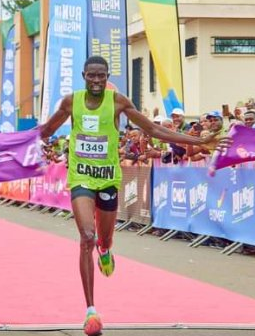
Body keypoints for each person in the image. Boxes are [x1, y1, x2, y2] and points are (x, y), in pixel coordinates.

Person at [39, 56, 229, 336]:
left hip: (107, 179)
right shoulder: (71, 102)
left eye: (101, 76)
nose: (96, 80)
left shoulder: (118, 102)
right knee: (87, 237)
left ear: (107, 77)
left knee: (103, 239)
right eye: (91, 75)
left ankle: (105, 250)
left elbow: (152, 129)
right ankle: (91, 310)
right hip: (80, 177)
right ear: (83, 76)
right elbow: (46, 131)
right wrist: (12, 144)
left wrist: (199, 140)